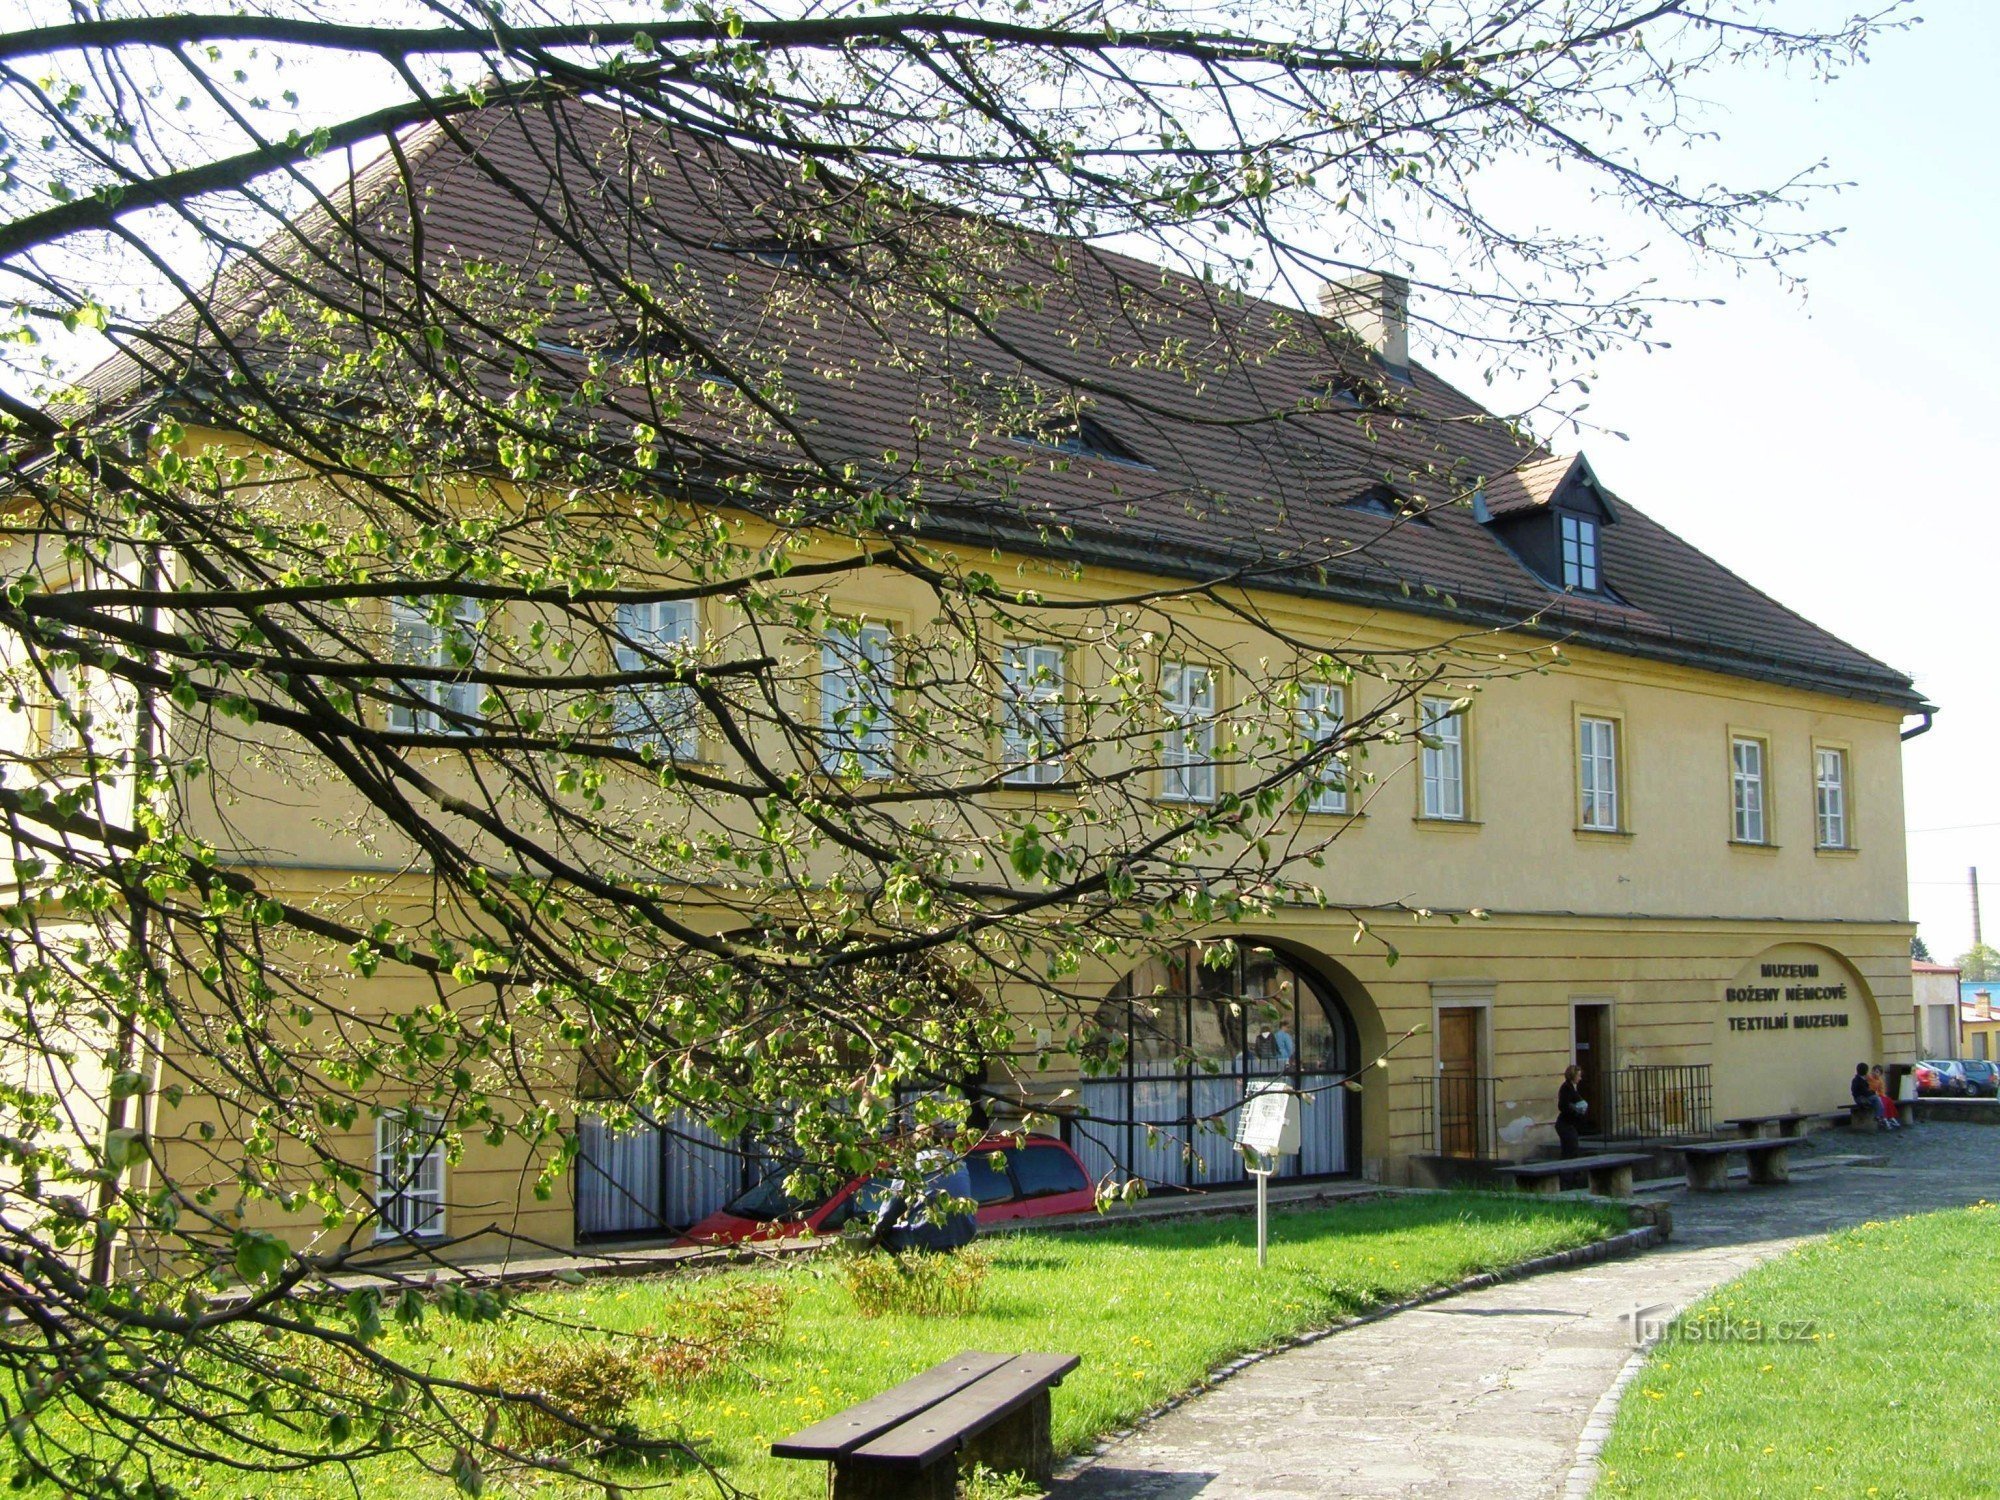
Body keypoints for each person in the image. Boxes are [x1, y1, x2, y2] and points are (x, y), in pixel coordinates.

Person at [1555, 1064, 1588, 1159]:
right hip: (1565, 1124)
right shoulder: (1566, 1088)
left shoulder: (1571, 1087)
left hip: (1569, 1124)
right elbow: (1563, 1106)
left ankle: (1570, 1172)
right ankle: (1568, 1172)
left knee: (1571, 1149)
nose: (1580, 1078)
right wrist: (1577, 1112)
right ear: (1573, 1076)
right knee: (1570, 1150)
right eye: (1578, 1076)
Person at [1852, 1062, 1890, 1131]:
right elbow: (1865, 1092)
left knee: (1877, 1099)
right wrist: (1873, 1092)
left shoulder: (1860, 1079)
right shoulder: (1859, 1080)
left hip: (1863, 1097)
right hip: (1860, 1098)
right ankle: (1879, 1116)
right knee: (1876, 1098)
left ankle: (1880, 1117)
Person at [1870, 1065, 1902, 1130]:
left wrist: (1881, 1095)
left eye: (1877, 1072)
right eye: (1874, 1071)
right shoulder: (1870, 1079)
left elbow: (1882, 1091)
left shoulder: (1880, 1081)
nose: (1874, 1073)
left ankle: (1891, 1117)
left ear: (1880, 1074)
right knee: (1882, 1102)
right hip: (1873, 1097)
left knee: (1888, 1100)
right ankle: (1884, 1118)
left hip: (1879, 1095)